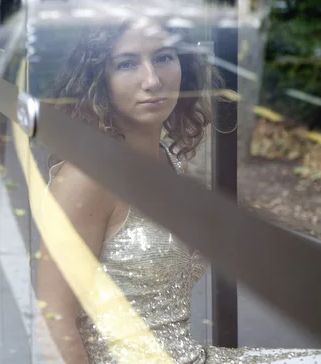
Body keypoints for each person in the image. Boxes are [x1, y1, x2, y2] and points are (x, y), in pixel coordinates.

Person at [37, 18, 321, 363]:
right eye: (126, 64)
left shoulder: (168, 160)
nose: (152, 80)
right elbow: (53, 321)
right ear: (99, 81)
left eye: (163, 57)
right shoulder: (86, 177)